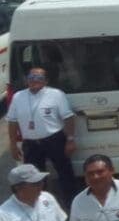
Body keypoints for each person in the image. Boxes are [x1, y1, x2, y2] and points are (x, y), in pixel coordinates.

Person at [6, 68, 78, 209]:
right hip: (31, 144)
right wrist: (13, 145)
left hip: (54, 140)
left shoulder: (56, 94)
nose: (34, 80)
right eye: (31, 77)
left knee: (65, 174)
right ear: (27, 80)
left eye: (39, 77)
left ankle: (72, 206)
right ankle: (41, 207)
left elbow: (68, 117)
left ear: (46, 81)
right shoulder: (18, 96)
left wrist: (70, 139)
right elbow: (12, 122)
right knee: (34, 178)